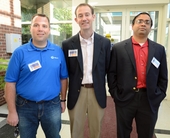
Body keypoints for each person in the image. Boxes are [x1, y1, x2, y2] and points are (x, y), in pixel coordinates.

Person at [4, 13, 68, 138]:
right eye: (36, 25)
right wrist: (12, 111)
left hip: (52, 105)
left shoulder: (57, 51)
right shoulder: (19, 53)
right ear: (30, 28)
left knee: (54, 136)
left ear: (49, 30)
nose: (40, 29)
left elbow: (63, 78)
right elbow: (10, 82)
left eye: (44, 26)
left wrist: (63, 100)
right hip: (25, 107)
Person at [108, 12, 168, 138]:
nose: (143, 24)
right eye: (140, 21)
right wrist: (115, 93)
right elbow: (111, 73)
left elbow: (163, 76)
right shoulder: (118, 48)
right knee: (123, 133)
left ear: (151, 27)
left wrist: (160, 94)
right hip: (125, 98)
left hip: (149, 99)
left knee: (146, 133)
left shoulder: (159, 49)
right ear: (132, 25)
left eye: (147, 22)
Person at [62, 3, 111, 138]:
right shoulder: (67, 44)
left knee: (96, 130)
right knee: (76, 130)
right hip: (77, 92)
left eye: (87, 14)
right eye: (80, 15)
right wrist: (62, 98)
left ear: (93, 17)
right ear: (76, 20)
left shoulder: (105, 43)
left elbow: (108, 68)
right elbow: (64, 72)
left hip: (97, 91)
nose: (84, 18)